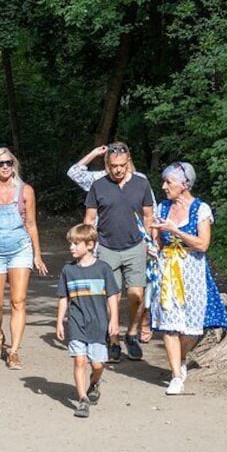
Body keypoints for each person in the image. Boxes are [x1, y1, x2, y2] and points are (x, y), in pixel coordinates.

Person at [149, 162, 227, 395]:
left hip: (193, 271)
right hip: (167, 272)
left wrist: (177, 231)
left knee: (193, 328)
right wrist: (153, 247)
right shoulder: (163, 208)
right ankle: (176, 375)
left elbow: (202, 244)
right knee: (169, 325)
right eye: (164, 182)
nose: (164, 186)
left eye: (169, 182)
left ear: (184, 185)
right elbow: (157, 240)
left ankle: (181, 357)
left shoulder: (200, 209)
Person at [68, 144, 155, 344]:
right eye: (114, 165)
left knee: (137, 295)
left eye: (122, 165)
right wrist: (85, 247)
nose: (118, 170)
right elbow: (89, 219)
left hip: (136, 246)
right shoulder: (98, 184)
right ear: (108, 164)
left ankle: (132, 332)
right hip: (106, 247)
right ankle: (113, 339)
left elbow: (149, 216)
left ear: (129, 162)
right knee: (111, 298)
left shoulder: (141, 183)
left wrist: (152, 242)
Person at [0, 148, 47, 370]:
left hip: (19, 249)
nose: (5, 167)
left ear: (14, 165)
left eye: (9, 162)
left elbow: (31, 224)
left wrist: (37, 254)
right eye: (0, 163)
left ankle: (14, 351)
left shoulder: (26, 191)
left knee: (18, 301)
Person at [56, 224, 120, 418]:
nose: (71, 248)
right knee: (80, 360)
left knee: (98, 364)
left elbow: (112, 296)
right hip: (76, 321)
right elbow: (63, 298)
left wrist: (114, 320)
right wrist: (59, 321)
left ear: (90, 244)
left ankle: (94, 382)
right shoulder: (68, 270)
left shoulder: (103, 269)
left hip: (98, 323)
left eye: (76, 243)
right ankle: (83, 399)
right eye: (71, 244)